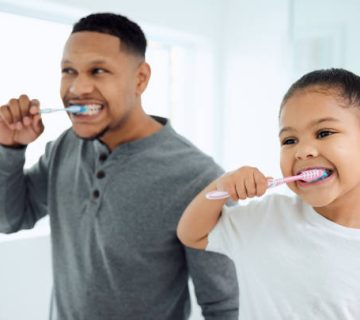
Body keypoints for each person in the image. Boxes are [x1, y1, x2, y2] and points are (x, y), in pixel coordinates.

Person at [0, 13, 239, 320]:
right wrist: (10, 149)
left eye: (98, 70)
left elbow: (225, 307)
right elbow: (10, 219)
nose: (78, 87)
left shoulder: (199, 179)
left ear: (140, 79)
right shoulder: (65, 146)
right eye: (68, 70)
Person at [177, 68, 360, 319]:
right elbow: (192, 235)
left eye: (324, 133)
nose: (302, 151)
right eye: (289, 140)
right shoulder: (266, 217)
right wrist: (221, 188)